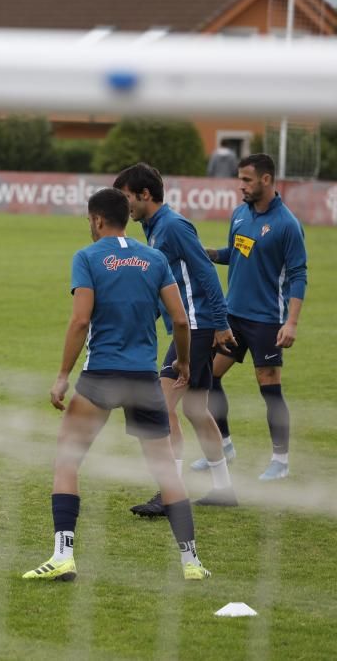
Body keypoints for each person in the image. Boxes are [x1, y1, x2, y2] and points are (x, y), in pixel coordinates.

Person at [23, 188, 210, 582]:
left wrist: (61, 376)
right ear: (127, 217)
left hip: (102, 377)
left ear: (96, 220)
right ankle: (191, 563)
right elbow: (180, 320)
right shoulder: (155, 258)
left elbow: (79, 321)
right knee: (166, 472)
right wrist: (184, 361)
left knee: (67, 460)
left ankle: (63, 556)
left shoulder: (88, 257)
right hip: (144, 378)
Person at [113, 163, 239, 517]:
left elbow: (205, 274)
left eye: (127, 198)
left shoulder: (173, 226)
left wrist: (221, 323)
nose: (125, 206)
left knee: (163, 407)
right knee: (196, 409)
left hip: (197, 327)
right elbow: (164, 290)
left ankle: (172, 493)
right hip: (194, 325)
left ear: (145, 195)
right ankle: (224, 488)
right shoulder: (155, 230)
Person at [203, 153, 308, 481]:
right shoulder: (239, 214)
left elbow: (299, 274)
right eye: (240, 179)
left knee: (269, 387)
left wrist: (291, 322)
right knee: (208, 377)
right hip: (232, 315)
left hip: (266, 320)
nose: (240, 186)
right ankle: (224, 447)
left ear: (266, 179)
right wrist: (209, 254)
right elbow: (235, 253)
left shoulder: (287, 224)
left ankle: (281, 461)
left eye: (246, 179)